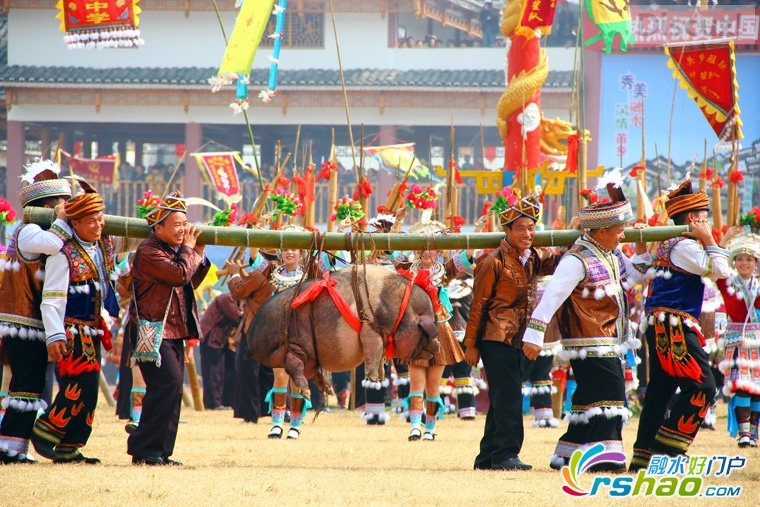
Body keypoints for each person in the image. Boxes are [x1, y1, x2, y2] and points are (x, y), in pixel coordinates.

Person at [523, 174, 651, 472]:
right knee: (611, 396)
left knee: (589, 399)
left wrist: (642, 248)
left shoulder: (611, 254)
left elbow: (636, 276)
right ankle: (603, 457)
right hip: (588, 342)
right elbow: (551, 297)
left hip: (607, 341)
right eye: (619, 230)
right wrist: (534, 336)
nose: (623, 235)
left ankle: (568, 453)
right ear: (602, 230)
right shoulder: (576, 259)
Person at [629, 179, 730, 472]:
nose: (707, 222)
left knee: (661, 390)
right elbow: (720, 270)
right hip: (673, 326)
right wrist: (710, 240)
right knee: (704, 387)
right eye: (704, 217)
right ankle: (666, 450)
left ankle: (644, 458)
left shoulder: (671, 244)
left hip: (663, 323)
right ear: (692, 219)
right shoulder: (684, 245)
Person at [464, 194, 562, 471]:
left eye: (531, 227)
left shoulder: (532, 259)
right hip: (495, 339)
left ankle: (488, 457)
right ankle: (506, 454)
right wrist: (470, 345)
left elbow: (559, 263)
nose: (528, 233)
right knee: (509, 396)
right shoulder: (491, 262)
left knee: (502, 397)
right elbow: (478, 306)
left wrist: (575, 235)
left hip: (519, 339)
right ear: (506, 231)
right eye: (520, 228)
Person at [32, 179, 120, 464]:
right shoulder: (62, 253)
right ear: (76, 224)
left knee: (90, 392)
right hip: (72, 330)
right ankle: (45, 431)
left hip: (93, 330)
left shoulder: (104, 247)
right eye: (91, 221)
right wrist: (55, 335)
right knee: (78, 386)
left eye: (100, 219)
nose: (98, 225)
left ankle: (70, 446)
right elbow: (53, 298)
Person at [126, 190, 211, 466]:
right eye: (176, 225)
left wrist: (198, 253)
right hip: (152, 330)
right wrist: (189, 251)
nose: (183, 229)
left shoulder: (174, 252)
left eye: (184, 224)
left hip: (174, 331)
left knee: (172, 389)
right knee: (167, 384)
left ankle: (158, 452)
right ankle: (145, 448)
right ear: (158, 227)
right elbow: (178, 275)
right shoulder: (149, 251)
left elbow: (188, 283)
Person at [0, 159, 72, 464]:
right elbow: (55, 243)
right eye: (59, 203)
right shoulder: (28, 231)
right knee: (26, 385)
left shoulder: (36, 231)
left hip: (33, 322)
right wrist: (64, 219)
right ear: (43, 206)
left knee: (31, 386)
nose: (64, 208)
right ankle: (9, 449)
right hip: (21, 322)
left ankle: (15, 448)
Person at [390, 211, 480, 441]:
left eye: (432, 247)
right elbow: (390, 248)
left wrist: (477, 235)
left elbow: (466, 258)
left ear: (438, 250)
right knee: (416, 383)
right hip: (415, 330)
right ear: (416, 248)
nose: (427, 251)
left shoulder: (444, 271)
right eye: (422, 246)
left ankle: (430, 428)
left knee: (433, 385)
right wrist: (397, 224)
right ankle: (415, 426)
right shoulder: (408, 269)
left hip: (440, 329)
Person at [715, 228, 760, 448]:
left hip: (758, 338)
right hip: (737, 339)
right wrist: (723, 242)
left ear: (755, 262)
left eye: (749, 259)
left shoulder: (759, 284)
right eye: (740, 259)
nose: (744, 263)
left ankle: (753, 432)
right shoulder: (728, 283)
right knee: (742, 385)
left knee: (758, 388)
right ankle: (743, 433)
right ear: (734, 262)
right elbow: (715, 266)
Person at [226, 259, 275, 424]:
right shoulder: (279, 273)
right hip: (273, 328)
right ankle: (270, 410)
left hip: (254, 328)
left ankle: (250, 414)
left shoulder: (260, 274)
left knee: (248, 371)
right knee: (270, 372)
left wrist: (234, 273)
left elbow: (239, 291)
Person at [199, 292, 242, 410]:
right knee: (213, 371)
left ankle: (222, 401)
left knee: (221, 371)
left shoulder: (233, 300)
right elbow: (237, 317)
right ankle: (213, 403)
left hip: (219, 339)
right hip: (211, 338)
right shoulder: (227, 299)